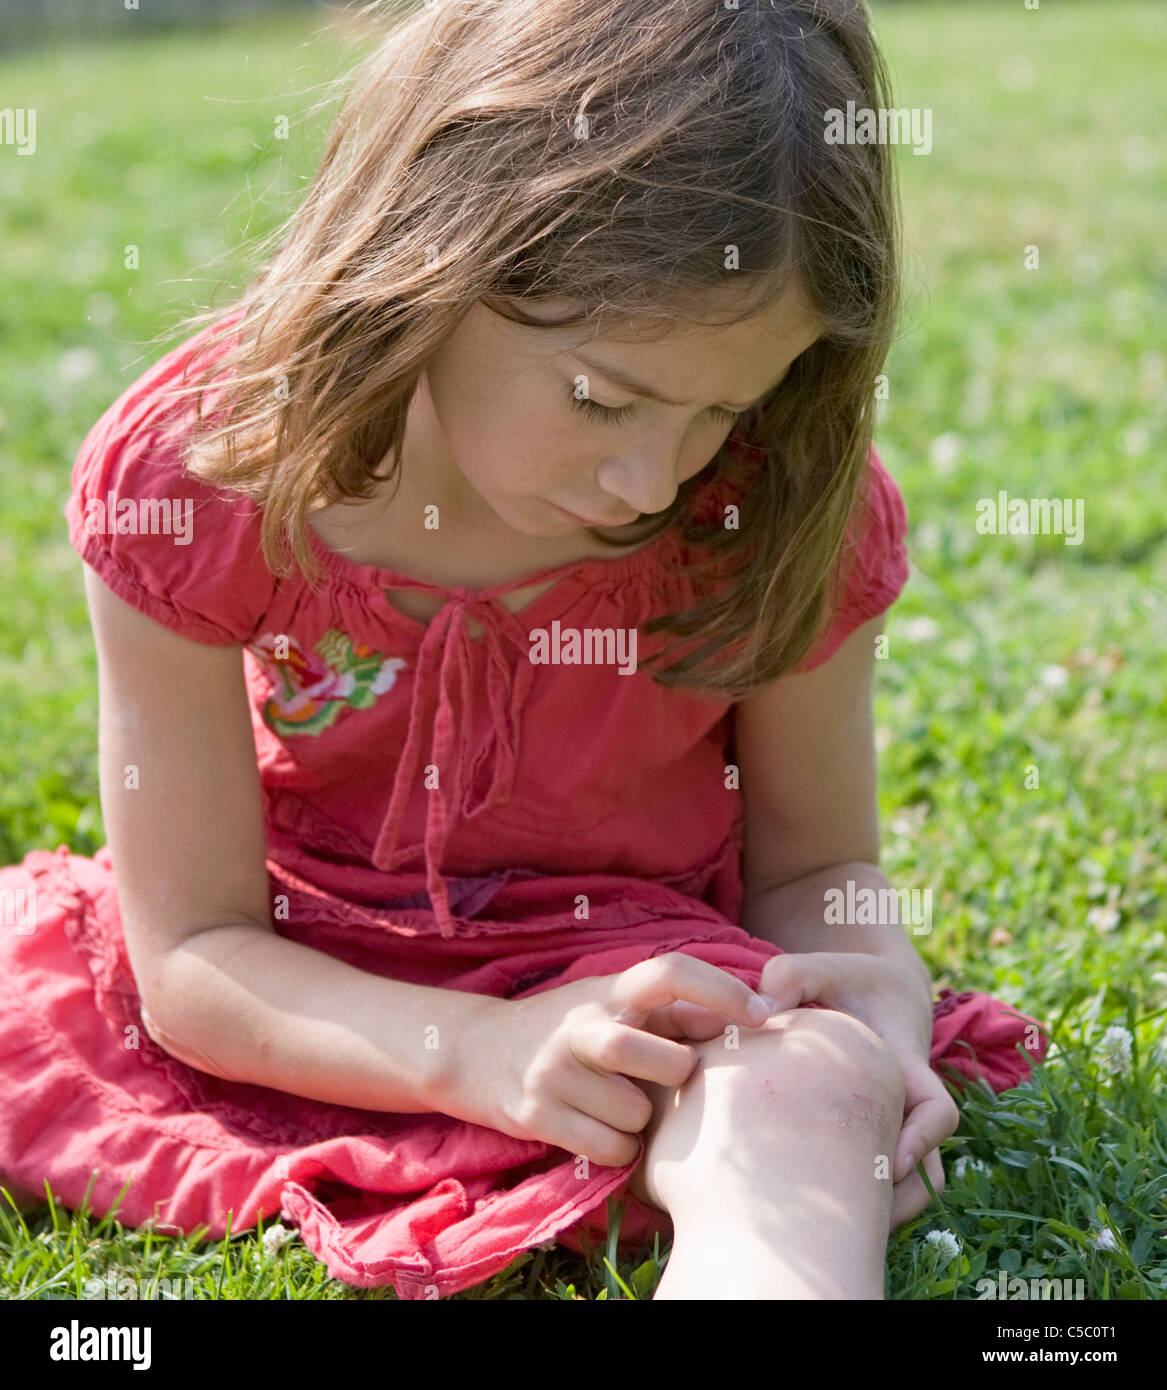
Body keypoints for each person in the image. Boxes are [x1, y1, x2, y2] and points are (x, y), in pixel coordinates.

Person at [0, 0, 1046, 1299]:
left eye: (726, 405)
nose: (651, 475)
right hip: (307, 972)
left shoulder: (775, 501)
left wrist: (875, 1013)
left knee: (806, 1084)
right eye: (604, 395)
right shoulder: (203, 477)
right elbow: (197, 951)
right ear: (430, 255)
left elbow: (821, 865)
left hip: (635, 981)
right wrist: (476, 1049)